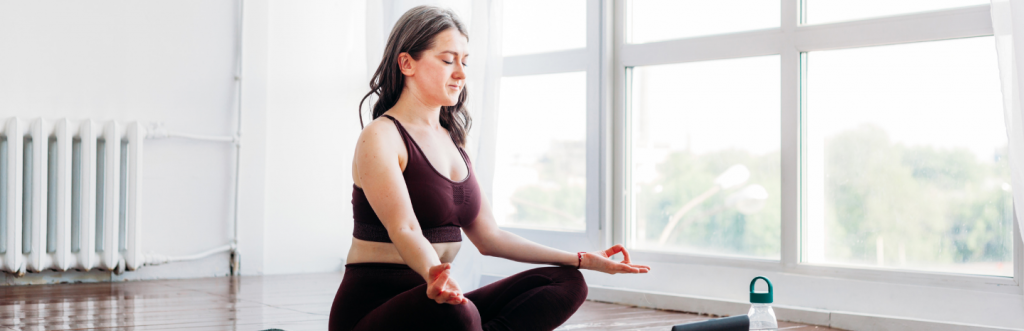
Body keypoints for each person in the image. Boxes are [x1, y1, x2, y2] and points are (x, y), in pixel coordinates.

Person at [328, 5, 651, 331]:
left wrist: (580, 259)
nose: (461, 73)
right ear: (407, 63)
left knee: (566, 282)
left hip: (436, 297)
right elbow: (405, 230)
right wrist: (434, 276)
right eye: (447, 59)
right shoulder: (381, 136)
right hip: (374, 309)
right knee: (460, 313)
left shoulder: (453, 140)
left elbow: (489, 236)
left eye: (464, 61)